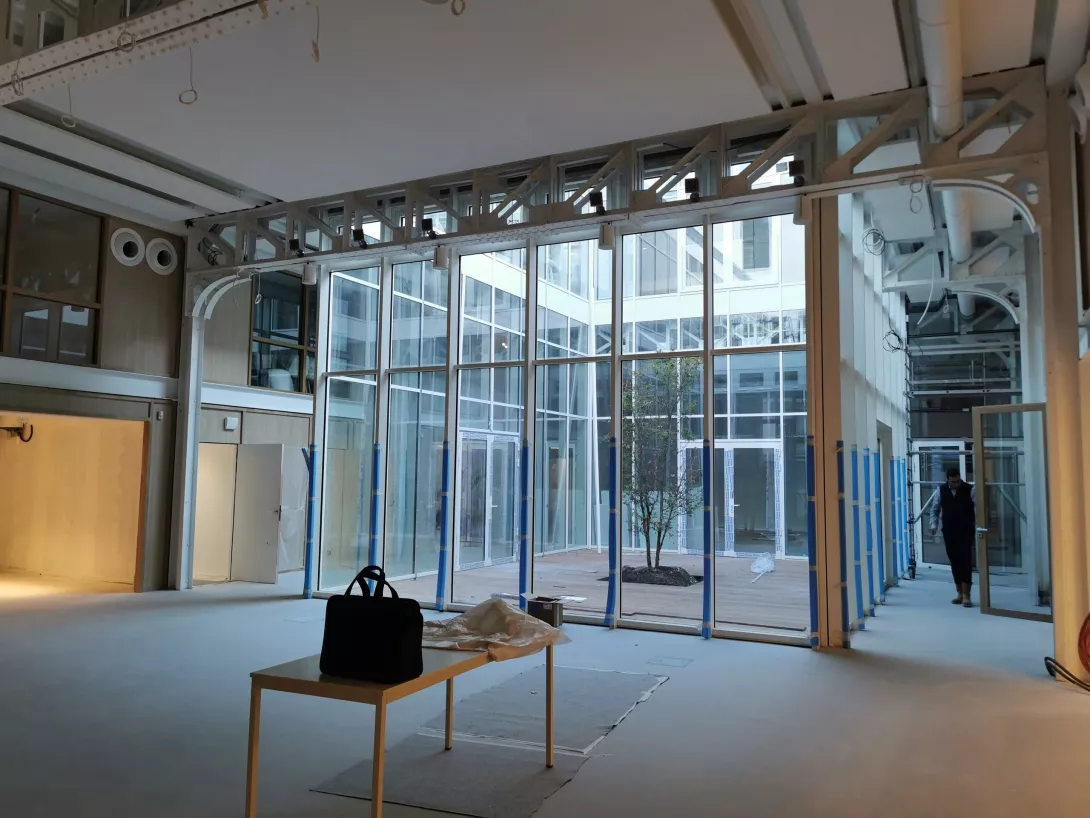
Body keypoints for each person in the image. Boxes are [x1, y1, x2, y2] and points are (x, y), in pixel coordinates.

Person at [930, 467, 977, 607]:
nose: (956, 484)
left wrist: (978, 522)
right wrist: (933, 525)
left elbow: (978, 507)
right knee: (954, 561)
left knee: (965, 561)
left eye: (957, 481)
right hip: (949, 530)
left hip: (966, 530)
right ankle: (959, 593)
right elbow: (935, 509)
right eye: (953, 482)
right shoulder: (941, 490)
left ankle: (967, 595)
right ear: (948, 480)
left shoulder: (970, 489)